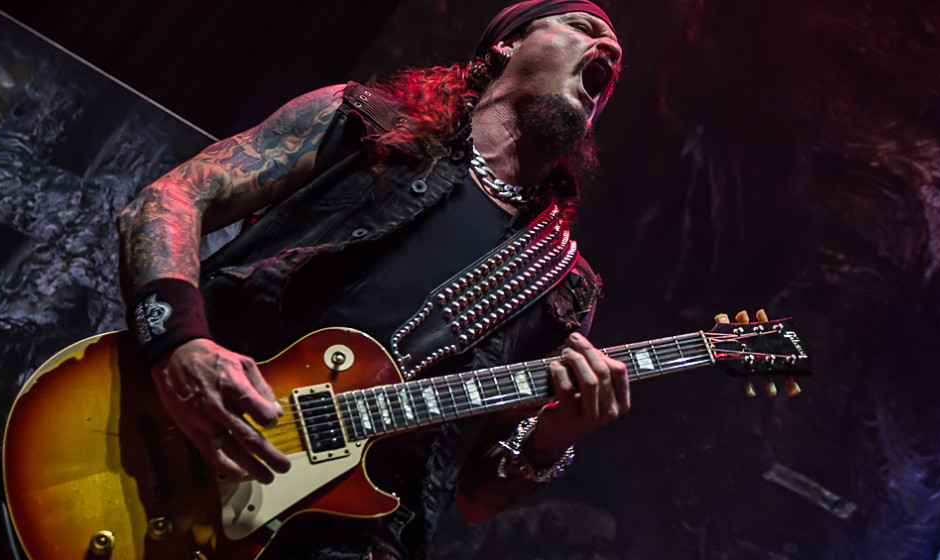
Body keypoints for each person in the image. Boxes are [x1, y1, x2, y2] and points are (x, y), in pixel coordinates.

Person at [117, 1, 628, 558]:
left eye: (615, 59)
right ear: (506, 44)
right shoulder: (362, 123)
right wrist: (178, 345)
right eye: (583, 28)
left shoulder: (561, 283)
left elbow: (475, 498)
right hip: (167, 444)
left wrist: (553, 439)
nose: (609, 49)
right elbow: (171, 199)